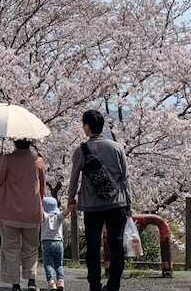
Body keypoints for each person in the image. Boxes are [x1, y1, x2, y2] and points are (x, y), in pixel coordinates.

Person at [68, 110, 132, 291]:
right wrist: (129, 204)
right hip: (117, 203)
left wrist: (71, 199)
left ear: (87, 127)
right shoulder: (118, 147)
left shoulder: (81, 150)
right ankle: (113, 286)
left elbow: (74, 179)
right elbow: (125, 178)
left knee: (93, 248)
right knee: (116, 245)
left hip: (92, 206)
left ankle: (94, 285)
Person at [0, 139, 46, 291]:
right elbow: (42, 188)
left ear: (14, 141)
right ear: (30, 142)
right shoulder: (38, 161)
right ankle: (31, 280)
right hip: (32, 211)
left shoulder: (7, 159)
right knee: (31, 248)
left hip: (9, 212)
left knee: (10, 248)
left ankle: (15, 283)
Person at [41, 196, 70, 291]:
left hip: (46, 242)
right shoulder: (58, 216)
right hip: (58, 242)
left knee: (48, 264)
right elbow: (65, 213)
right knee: (59, 264)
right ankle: (60, 282)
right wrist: (70, 207)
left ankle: (52, 283)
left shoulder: (44, 216)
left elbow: (39, 211)